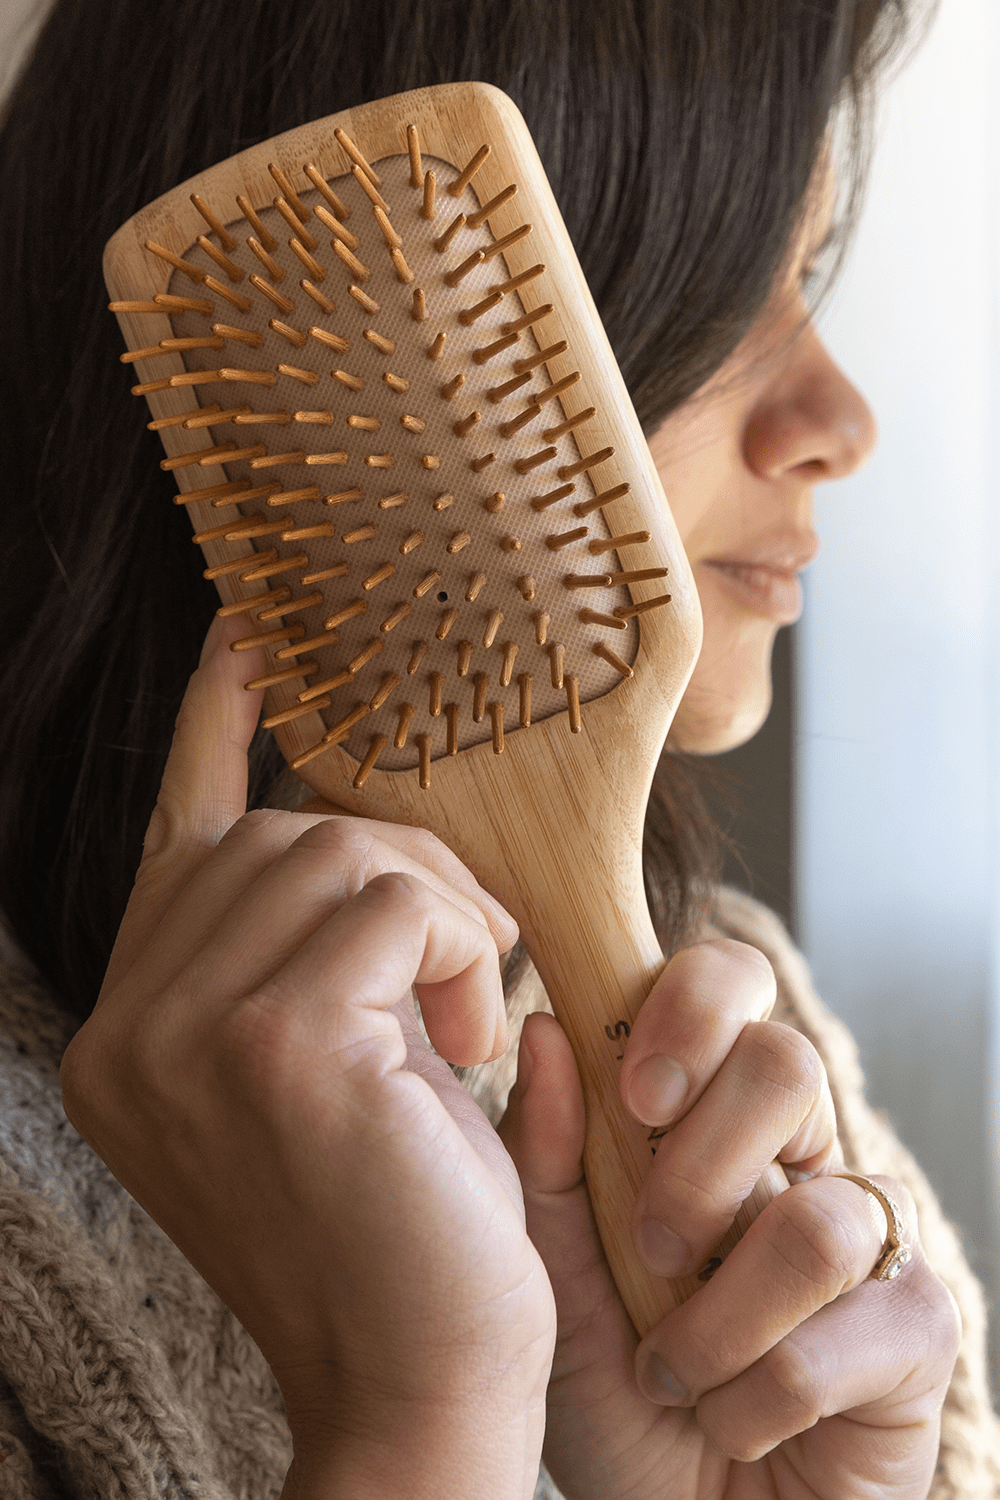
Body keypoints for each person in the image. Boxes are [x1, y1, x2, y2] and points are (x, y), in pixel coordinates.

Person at [0, 0, 997, 1496]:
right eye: (729, 292)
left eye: (809, 276)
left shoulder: (768, 1079)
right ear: (352, 361)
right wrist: (418, 1427)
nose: (838, 419)